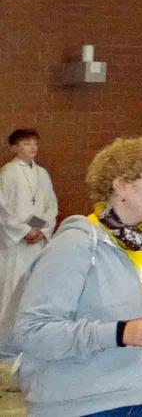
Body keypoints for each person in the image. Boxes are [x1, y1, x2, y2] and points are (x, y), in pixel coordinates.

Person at [13, 135, 142, 417]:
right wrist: (118, 333)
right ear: (122, 186)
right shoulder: (77, 243)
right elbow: (32, 332)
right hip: (81, 403)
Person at [0, 128, 58, 373]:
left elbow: (49, 205)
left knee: (35, 291)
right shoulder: (7, 173)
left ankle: (32, 342)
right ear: (14, 148)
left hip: (36, 244)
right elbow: (3, 209)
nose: (32, 148)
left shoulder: (42, 173)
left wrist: (38, 230)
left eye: (35, 143)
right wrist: (24, 231)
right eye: (26, 144)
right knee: (12, 291)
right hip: (16, 245)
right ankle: (6, 346)